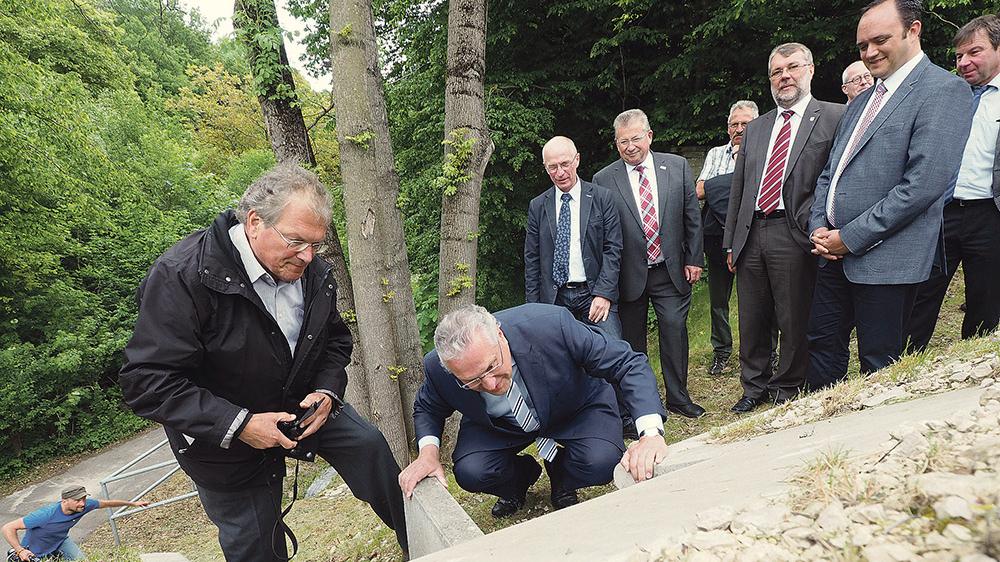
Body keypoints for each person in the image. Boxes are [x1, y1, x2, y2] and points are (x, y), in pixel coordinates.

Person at [118, 164, 407, 561]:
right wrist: (239, 424)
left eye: (316, 245)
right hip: (222, 436)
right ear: (255, 222)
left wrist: (326, 391)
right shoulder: (181, 275)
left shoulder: (312, 272)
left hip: (301, 408)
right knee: (257, 547)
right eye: (296, 241)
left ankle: (426, 540)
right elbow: (145, 380)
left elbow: (336, 340)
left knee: (369, 448)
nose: (308, 256)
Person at [806, 0, 974, 388]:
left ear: (913, 30)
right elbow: (831, 172)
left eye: (879, 40)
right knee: (821, 348)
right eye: (862, 46)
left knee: (879, 363)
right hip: (831, 254)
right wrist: (820, 226)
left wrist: (849, 237)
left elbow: (922, 187)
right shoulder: (862, 100)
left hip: (889, 258)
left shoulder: (943, 91)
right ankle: (817, 441)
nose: (869, 53)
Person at [398, 304, 668, 518]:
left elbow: (627, 363)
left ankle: (562, 474)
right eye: (474, 381)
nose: (490, 384)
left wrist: (650, 434)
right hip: (502, 425)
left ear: (500, 335)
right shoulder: (437, 367)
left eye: (492, 366)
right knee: (471, 471)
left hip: (573, 407)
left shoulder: (551, 325)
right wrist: (427, 454)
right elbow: (427, 406)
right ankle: (521, 477)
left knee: (602, 460)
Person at [723, 43, 845, 413]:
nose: (785, 76)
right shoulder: (756, 128)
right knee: (752, 315)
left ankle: (788, 384)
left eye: (792, 67)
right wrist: (731, 241)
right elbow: (739, 187)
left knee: (793, 314)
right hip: (751, 232)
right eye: (777, 71)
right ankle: (753, 385)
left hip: (795, 232)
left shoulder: (834, 117)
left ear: (809, 69)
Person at [593, 109, 706, 419]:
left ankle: (679, 398)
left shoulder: (677, 166)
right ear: (616, 144)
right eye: (623, 141)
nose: (630, 146)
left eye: (636, 139)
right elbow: (601, 233)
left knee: (674, 331)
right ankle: (642, 405)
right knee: (632, 344)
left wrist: (695, 258)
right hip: (628, 276)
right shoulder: (604, 179)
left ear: (649, 136)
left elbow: (691, 217)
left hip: (670, 270)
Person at [524, 136, 633, 436]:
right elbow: (532, 260)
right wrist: (536, 310)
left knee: (613, 351)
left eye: (564, 164)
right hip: (555, 299)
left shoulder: (602, 197)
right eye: (552, 167)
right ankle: (580, 423)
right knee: (562, 364)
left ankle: (626, 416)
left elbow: (614, 249)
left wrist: (604, 294)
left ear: (577, 160)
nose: (559, 172)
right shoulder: (538, 206)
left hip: (594, 294)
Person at [905, 15, 1000, 352]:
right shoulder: (946, 94)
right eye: (959, 56)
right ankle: (902, 359)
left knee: (986, 296)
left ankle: (972, 362)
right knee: (921, 290)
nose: (964, 62)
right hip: (940, 211)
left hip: (989, 213)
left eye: (974, 52)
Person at [697, 100, 760, 376]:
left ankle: (763, 352)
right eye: (734, 124)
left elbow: (756, 191)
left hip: (752, 236)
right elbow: (699, 191)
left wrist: (717, 187)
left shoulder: (764, 150)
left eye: (745, 123)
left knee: (759, 297)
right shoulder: (714, 154)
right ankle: (721, 351)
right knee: (719, 300)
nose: (739, 129)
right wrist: (732, 184)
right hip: (716, 236)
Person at [3, 486, 148, 561]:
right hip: (35, 550)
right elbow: (8, 527)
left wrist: (133, 503)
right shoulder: (45, 515)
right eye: (78, 500)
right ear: (64, 501)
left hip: (61, 541)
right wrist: (20, 550)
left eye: (84, 499)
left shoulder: (85, 506)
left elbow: (107, 503)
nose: (82, 503)